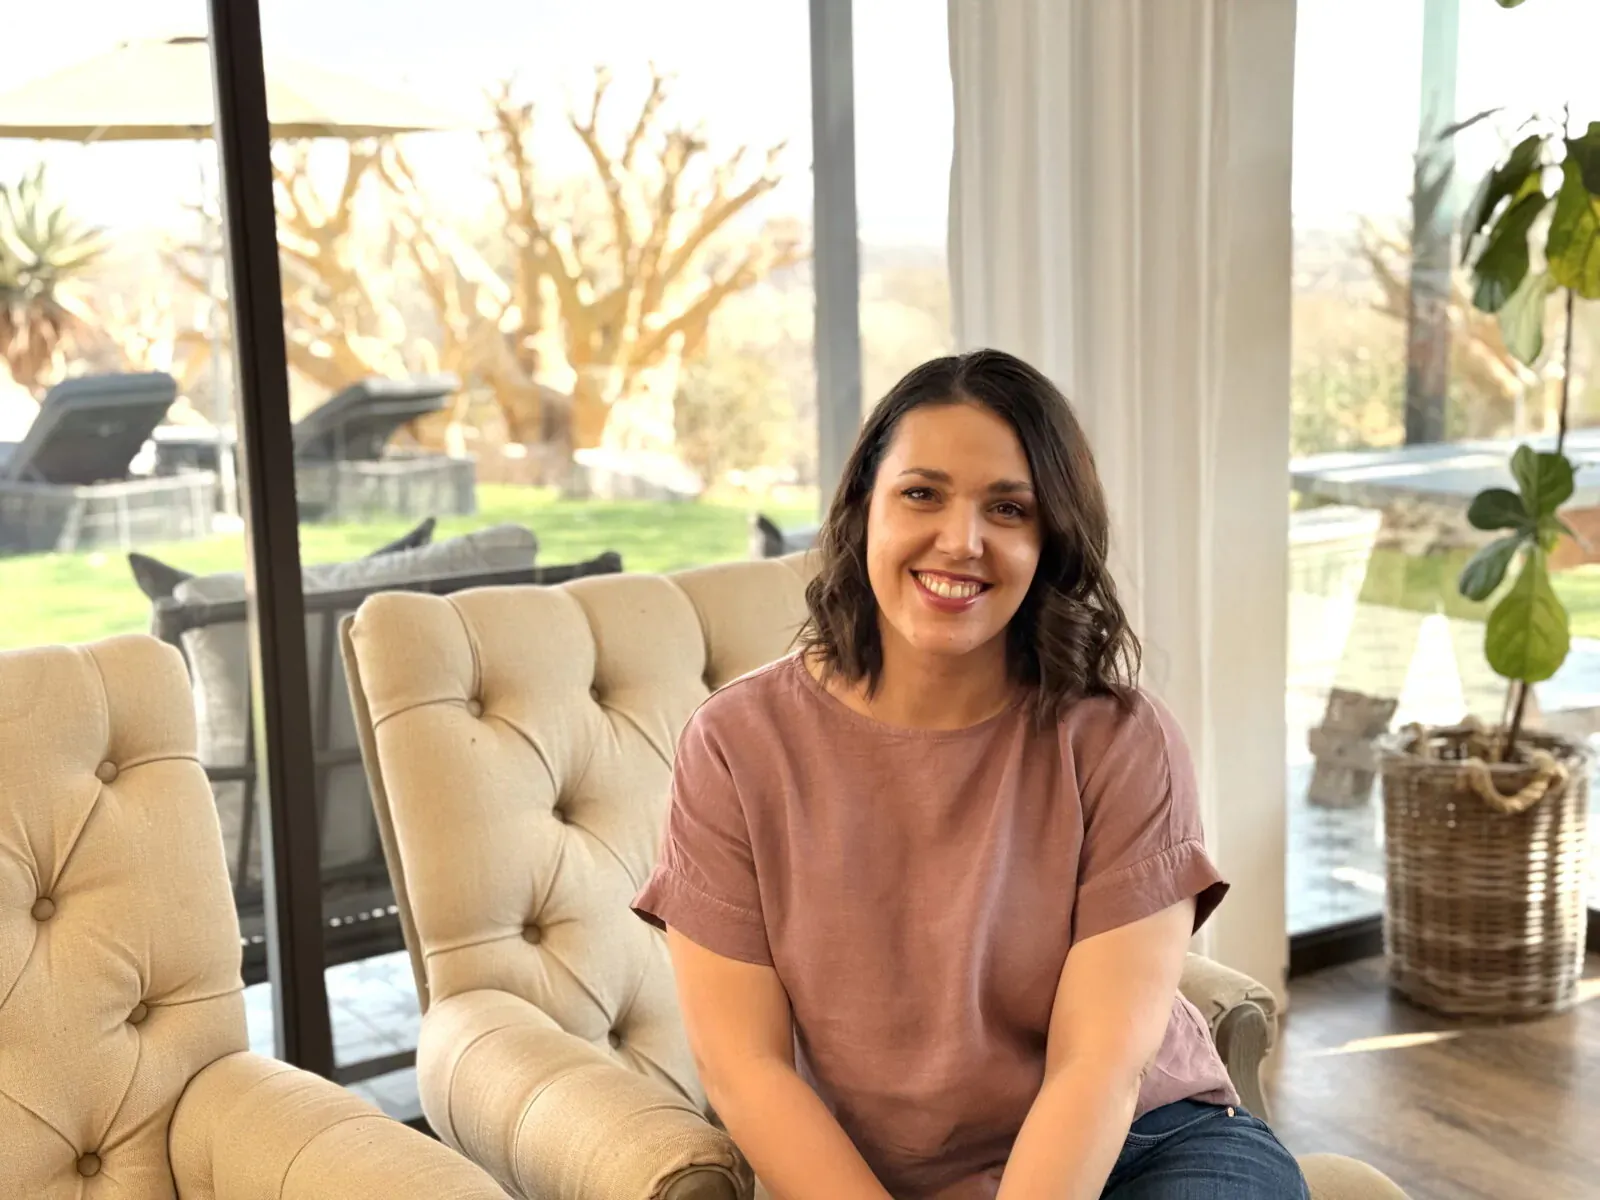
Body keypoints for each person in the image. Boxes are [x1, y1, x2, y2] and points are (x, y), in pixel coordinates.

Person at [631, 349, 1308, 1200]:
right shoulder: (735, 746)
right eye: (922, 493)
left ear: (1047, 539)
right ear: (862, 508)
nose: (962, 539)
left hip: (1146, 1142)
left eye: (1009, 508)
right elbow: (746, 1068)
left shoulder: (1122, 742)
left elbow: (1098, 1067)